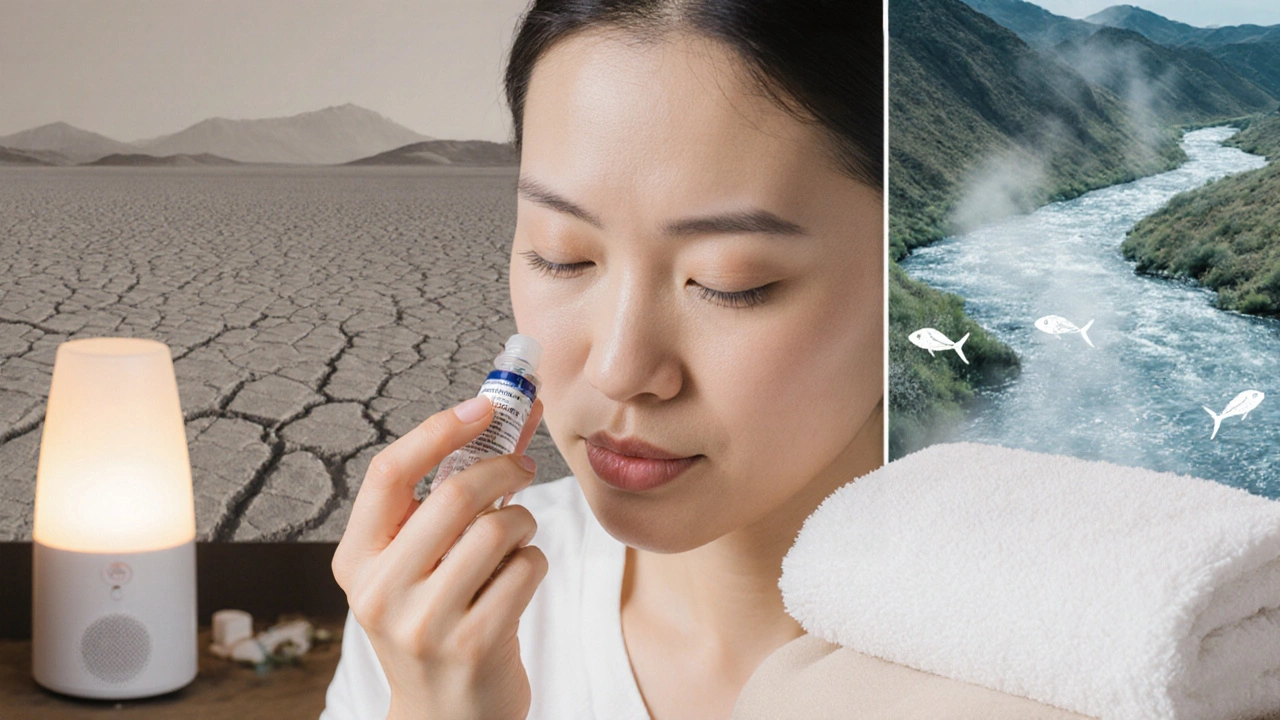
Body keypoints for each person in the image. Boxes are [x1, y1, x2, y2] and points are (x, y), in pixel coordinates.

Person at [320, 0, 883, 718]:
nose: (617, 369)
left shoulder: (1014, 647)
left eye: (728, 282)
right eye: (561, 257)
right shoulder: (434, 616)